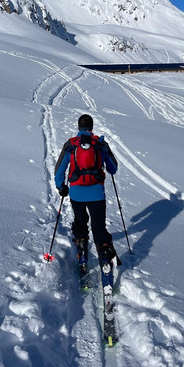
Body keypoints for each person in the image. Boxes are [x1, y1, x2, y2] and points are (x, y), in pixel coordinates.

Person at [54, 114, 118, 271]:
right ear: (91, 127)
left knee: (80, 222)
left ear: (78, 127)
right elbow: (113, 169)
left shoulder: (71, 145)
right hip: (97, 193)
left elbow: (59, 169)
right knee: (98, 226)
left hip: (76, 194)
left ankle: (82, 253)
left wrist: (61, 187)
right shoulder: (100, 144)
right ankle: (104, 256)